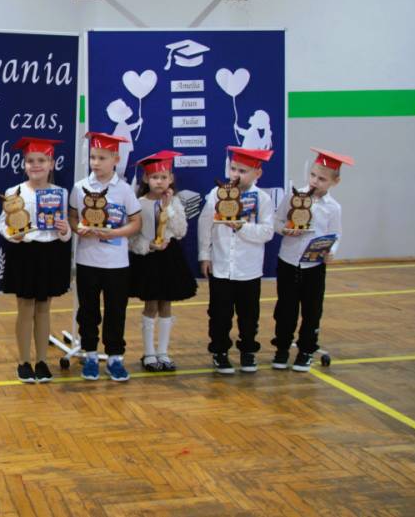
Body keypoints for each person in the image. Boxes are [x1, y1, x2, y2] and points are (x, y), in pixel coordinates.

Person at [68, 132, 142, 382]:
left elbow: (136, 221)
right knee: (88, 311)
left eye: (102, 158)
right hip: (87, 260)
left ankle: (115, 358)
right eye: (93, 157)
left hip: (117, 263)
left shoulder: (124, 189)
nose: (96, 162)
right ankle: (90, 354)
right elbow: (73, 216)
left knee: (116, 310)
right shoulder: (80, 187)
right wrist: (78, 228)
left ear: (115, 160)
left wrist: (116, 233)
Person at [0, 137, 72, 383]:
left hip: (51, 254)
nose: (36, 165)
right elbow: (3, 224)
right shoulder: (14, 192)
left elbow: (66, 229)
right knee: (25, 308)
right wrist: (13, 235)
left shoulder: (60, 193)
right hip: (25, 253)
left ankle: (41, 361)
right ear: (24, 164)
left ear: (52, 164)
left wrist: (65, 230)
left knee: (44, 308)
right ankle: (23, 362)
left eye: (41, 160)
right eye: (30, 161)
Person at [271, 148, 352, 372]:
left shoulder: (333, 208)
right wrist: (285, 230)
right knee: (285, 309)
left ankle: (306, 350)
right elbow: (276, 221)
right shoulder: (293, 196)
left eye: (322, 179)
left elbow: (335, 235)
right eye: (313, 175)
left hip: (314, 266)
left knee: (312, 310)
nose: (315, 181)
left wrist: (331, 251)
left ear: (335, 182)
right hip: (288, 262)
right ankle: (282, 348)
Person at [198, 146, 275, 374]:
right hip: (221, 266)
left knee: (249, 314)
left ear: (257, 173)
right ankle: (220, 351)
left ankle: (248, 350)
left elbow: (267, 232)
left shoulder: (263, 199)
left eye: (243, 171)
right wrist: (204, 255)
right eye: (233, 169)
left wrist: (242, 227)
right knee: (219, 314)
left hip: (249, 269)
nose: (236, 175)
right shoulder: (216, 194)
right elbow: (205, 225)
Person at [128, 151, 197, 372]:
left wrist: (169, 208)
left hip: (169, 257)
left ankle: (163, 352)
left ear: (171, 179)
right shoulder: (139, 203)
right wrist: (148, 245)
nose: (159, 181)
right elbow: (132, 238)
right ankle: (149, 353)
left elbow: (181, 231)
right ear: (146, 179)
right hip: (148, 258)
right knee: (150, 305)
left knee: (166, 304)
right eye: (154, 177)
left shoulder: (174, 202)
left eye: (163, 177)